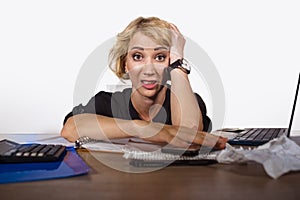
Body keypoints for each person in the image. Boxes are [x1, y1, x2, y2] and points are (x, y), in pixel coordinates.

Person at [61, 16, 227, 149]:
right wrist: (142, 128)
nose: (149, 70)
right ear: (125, 64)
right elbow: (70, 129)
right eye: (138, 56)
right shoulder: (109, 103)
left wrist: (178, 64)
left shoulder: (189, 100)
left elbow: (189, 136)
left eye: (160, 57)